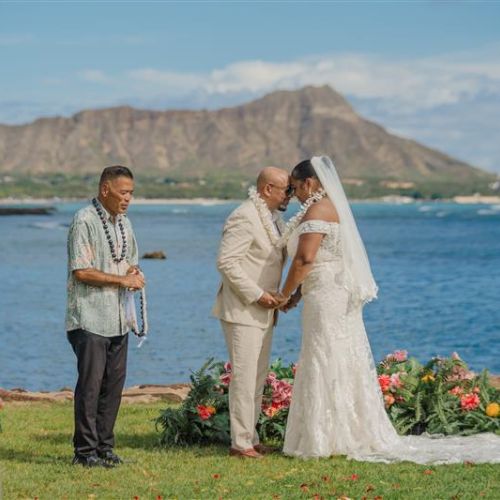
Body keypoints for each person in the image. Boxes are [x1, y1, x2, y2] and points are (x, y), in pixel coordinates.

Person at [277, 155, 500, 463]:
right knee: (336, 354)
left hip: (327, 295)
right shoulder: (332, 208)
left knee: (323, 354)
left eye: (295, 186)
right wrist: (298, 295)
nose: (293, 193)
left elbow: (305, 260)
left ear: (310, 183)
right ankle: (342, 432)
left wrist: (283, 295)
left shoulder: (317, 208)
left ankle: (326, 436)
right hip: (327, 292)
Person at [66, 165, 146, 468]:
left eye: (131, 193)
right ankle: (84, 452)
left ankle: (104, 447)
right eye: (123, 192)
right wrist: (122, 280)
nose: (128, 199)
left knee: (113, 385)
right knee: (90, 386)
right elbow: (81, 270)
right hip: (88, 318)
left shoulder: (125, 223)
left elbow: (128, 262)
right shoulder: (84, 220)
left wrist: (134, 274)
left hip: (118, 319)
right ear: (105, 190)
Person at [212, 167, 291, 458]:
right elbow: (227, 262)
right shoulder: (244, 216)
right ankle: (239, 443)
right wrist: (258, 295)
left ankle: (250, 435)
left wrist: (276, 299)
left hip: (266, 311)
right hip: (243, 309)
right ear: (268, 189)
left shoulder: (273, 219)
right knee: (244, 377)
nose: (290, 196)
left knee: (257, 377)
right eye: (286, 190)